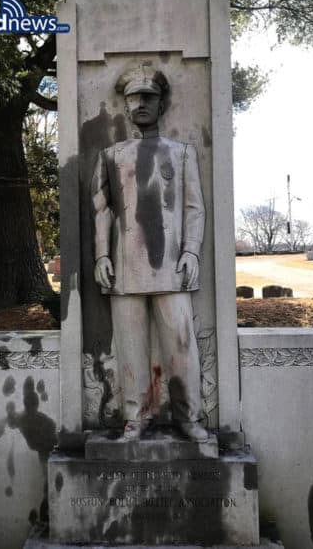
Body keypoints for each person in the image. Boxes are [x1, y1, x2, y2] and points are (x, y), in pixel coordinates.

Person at [91, 65, 208, 442]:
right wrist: (101, 256)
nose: (141, 104)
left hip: (171, 265)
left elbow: (194, 208)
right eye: (133, 98)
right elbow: (102, 209)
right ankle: (136, 417)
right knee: (130, 350)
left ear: (161, 104)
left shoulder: (183, 154)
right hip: (124, 266)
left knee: (181, 344)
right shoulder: (110, 156)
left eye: (149, 97)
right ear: (125, 105)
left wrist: (191, 251)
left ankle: (188, 417)